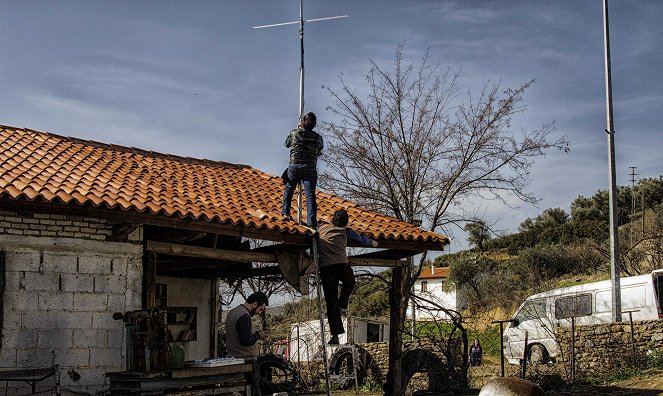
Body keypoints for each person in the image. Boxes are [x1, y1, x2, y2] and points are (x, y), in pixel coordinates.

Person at [317, 209, 378, 345]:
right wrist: (372, 243)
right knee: (350, 283)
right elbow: (360, 239)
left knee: (331, 302)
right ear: (345, 222)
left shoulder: (320, 229)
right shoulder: (345, 230)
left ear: (333, 219)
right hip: (341, 265)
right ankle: (342, 304)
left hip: (327, 268)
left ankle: (335, 336)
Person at [282, 112, 324, 228]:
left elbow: (286, 144)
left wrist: (298, 129)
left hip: (294, 165)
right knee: (310, 196)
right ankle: (311, 223)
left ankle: (285, 213)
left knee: (289, 189)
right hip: (309, 167)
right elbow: (320, 147)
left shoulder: (294, 133)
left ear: (303, 123)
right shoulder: (317, 137)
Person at [225, 291, 270, 396]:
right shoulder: (244, 315)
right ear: (254, 304)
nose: (259, 312)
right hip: (247, 360)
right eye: (260, 309)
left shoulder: (233, 312)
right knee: (253, 392)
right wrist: (259, 335)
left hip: (235, 359)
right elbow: (246, 340)